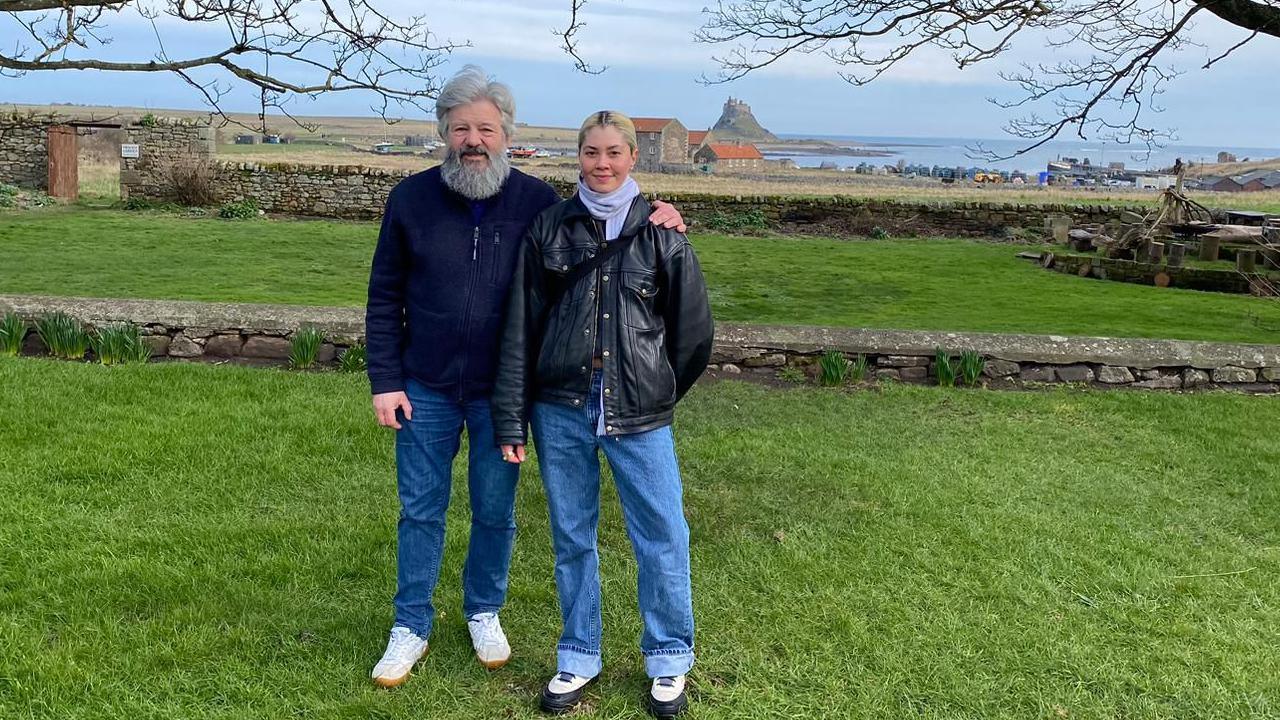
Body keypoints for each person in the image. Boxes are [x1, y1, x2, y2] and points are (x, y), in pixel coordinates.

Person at [365, 70, 686, 689]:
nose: (473, 139)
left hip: (501, 393)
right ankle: (410, 625)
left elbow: (606, 219)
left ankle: (483, 609)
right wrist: (386, 379)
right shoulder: (410, 199)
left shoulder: (538, 204)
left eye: (486, 127)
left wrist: (660, 212)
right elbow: (384, 297)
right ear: (444, 133)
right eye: (461, 128)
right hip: (424, 386)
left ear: (506, 133)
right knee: (421, 510)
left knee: (494, 511)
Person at [491, 110, 713, 718]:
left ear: (632, 157)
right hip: (559, 406)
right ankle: (579, 652)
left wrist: (655, 389)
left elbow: (692, 335)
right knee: (571, 535)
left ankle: (668, 656)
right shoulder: (549, 229)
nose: (603, 164)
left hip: (639, 411)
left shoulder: (664, 234)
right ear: (579, 156)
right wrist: (511, 418)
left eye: (614, 152)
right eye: (592, 152)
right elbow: (521, 328)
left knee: (662, 533)